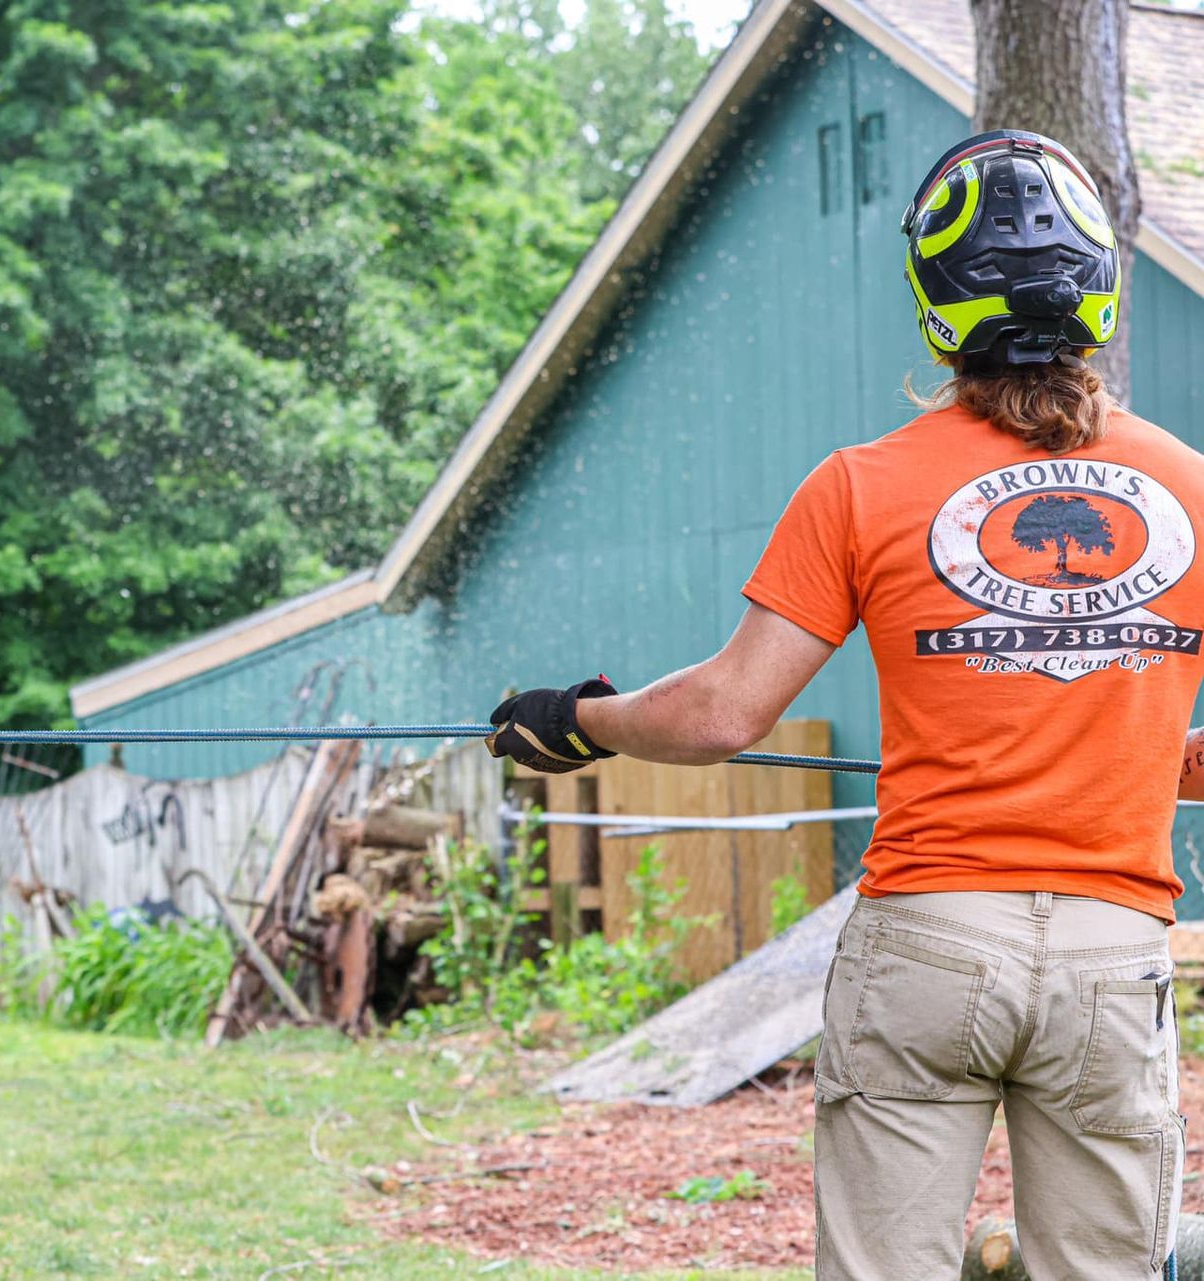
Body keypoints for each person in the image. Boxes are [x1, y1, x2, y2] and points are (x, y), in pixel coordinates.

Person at [485, 130, 1201, 1279]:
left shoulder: (861, 485)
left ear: (936, 301)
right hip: (1113, 960)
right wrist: (1147, 745)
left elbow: (723, 713)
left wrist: (580, 721)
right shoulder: (1192, 486)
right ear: (1101, 289)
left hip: (927, 944)